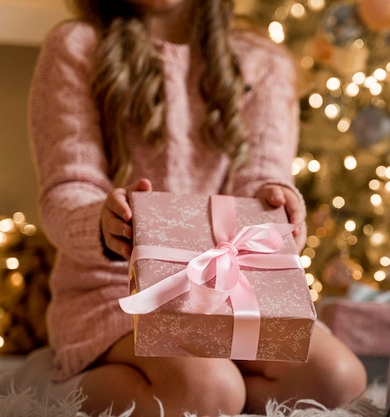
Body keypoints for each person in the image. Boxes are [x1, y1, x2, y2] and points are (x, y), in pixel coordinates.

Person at [18, 0, 368, 415]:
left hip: (230, 280)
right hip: (115, 288)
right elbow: (68, 186)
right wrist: (99, 221)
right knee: (209, 391)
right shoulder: (76, 45)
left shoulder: (265, 62)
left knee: (338, 378)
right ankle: (50, 386)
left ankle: (217, 391)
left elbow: (262, 176)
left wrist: (277, 199)